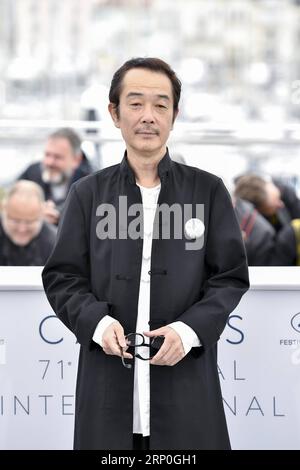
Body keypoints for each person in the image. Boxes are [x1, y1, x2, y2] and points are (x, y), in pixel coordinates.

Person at [42, 57, 249, 450]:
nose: (148, 116)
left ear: (175, 114)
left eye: (160, 105)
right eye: (135, 103)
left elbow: (230, 278)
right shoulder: (87, 194)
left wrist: (187, 332)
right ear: (114, 113)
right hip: (108, 383)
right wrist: (98, 325)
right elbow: (62, 277)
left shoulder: (208, 192)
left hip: (186, 384)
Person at [19, 128, 93, 225]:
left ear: (76, 160)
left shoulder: (91, 181)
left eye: (57, 157)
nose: (49, 162)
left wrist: (58, 214)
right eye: (47, 155)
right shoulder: (33, 172)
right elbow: (14, 196)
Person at [0, 180, 56, 266]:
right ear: (4, 210)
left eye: (29, 222)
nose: (22, 229)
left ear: (42, 214)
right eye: (16, 221)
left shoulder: (55, 245)